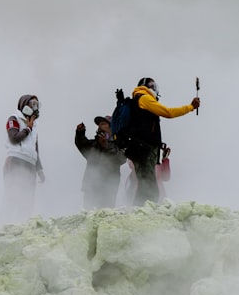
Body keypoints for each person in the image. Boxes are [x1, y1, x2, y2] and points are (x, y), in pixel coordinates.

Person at [126, 77, 198, 205]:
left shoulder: (136, 100)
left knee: (145, 184)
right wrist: (190, 107)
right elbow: (168, 112)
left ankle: (139, 212)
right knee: (149, 187)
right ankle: (144, 215)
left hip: (138, 147)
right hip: (144, 148)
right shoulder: (144, 98)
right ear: (152, 87)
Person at [2, 94, 45, 221]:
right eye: (33, 104)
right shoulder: (14, 119)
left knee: (27, 198)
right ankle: (4, 224)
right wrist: (28, 128)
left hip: (30, 164)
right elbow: (14, 139)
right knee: (12, 194)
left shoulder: (34, 125)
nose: (35, 107)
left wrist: (40, 169)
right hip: (15, 160)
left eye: (37, 104)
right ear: (24, 105)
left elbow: (34, 149)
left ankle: (22, 225)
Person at [75, 115, 127, 209]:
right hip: (91, 184)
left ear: (112, 127)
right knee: (88, 214)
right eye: (98, 124)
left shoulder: (118, 143)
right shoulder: (94, 144)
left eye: (103, 123)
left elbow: (121, 159)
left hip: (108, 187)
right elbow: (82, 145)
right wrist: (80, 133)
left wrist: (106, 146)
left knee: (105, 214)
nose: (99, 126)